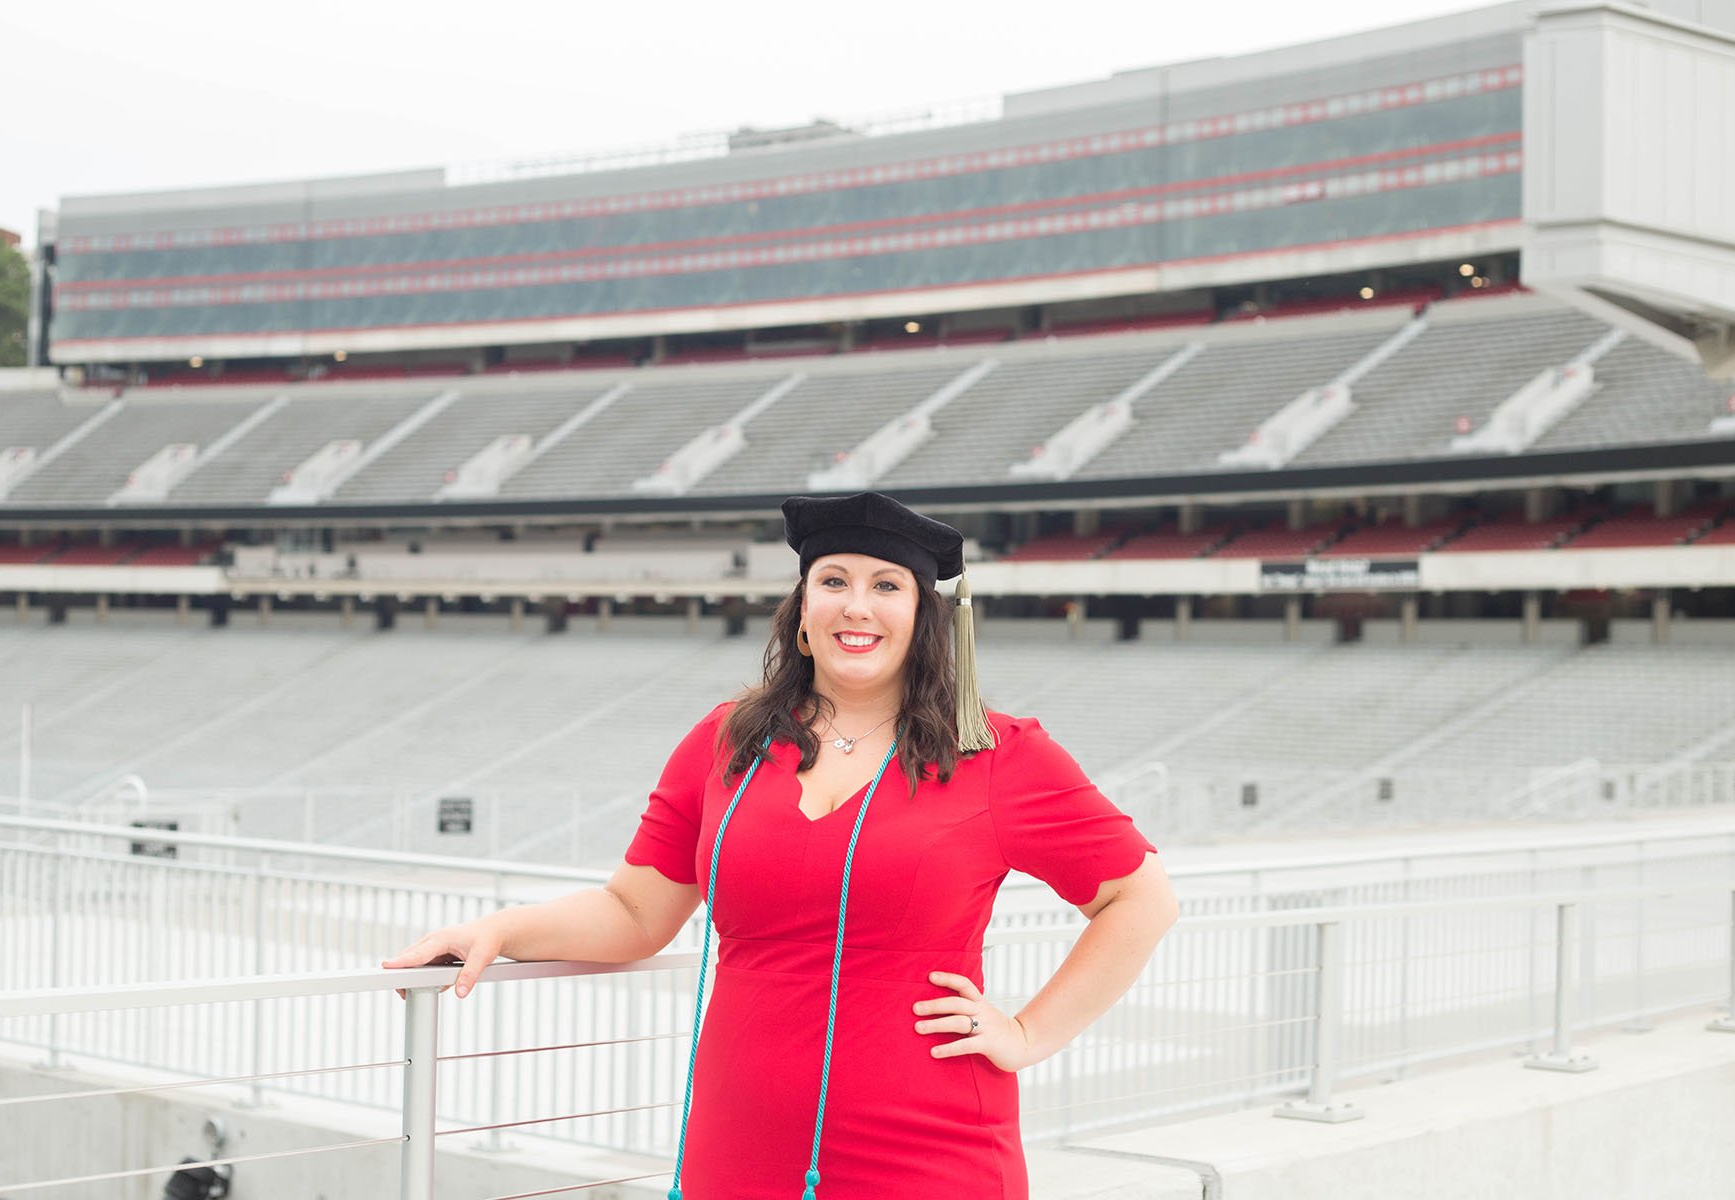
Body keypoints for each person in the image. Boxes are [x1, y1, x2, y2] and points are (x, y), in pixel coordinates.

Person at [384, 492, 1179, 1199]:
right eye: (832, 582)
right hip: (739, 1147)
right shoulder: (726, 741)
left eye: (886, 586)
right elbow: (634, 911)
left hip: (930, 1153)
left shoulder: (997, 754)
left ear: (924, 615)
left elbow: (1139, 897)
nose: (855, 607)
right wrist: (499, 931)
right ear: (802, 609)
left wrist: (1030, 1033)